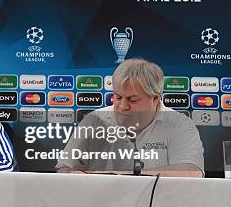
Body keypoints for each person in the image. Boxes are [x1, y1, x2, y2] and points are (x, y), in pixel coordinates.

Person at [56, 58, 204, 177]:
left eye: (132, 100)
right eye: (118, 97)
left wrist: (128, 175)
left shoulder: (179, 124)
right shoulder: (94, 121)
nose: (122, 106)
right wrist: (73, 174)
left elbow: (191, 172)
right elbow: (63, 168)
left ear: (155, 99)